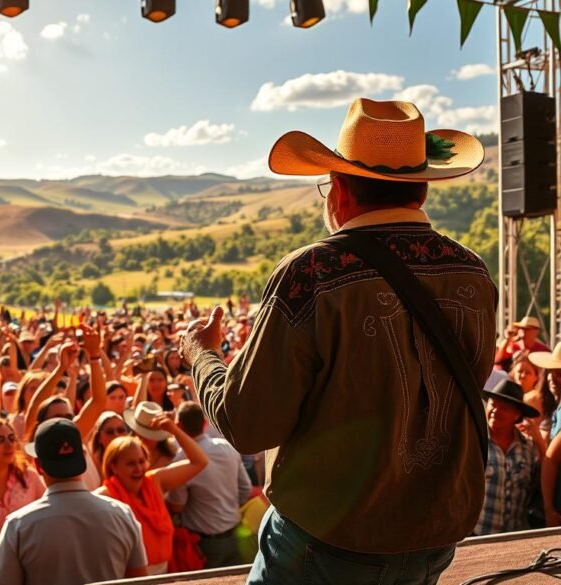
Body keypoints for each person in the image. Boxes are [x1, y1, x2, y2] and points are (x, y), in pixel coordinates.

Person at [182, 99, 495, 582]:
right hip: (434, 531)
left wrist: (200, 353)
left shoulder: (313, 272)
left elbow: (246, 423)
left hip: (327, 544)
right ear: (423, 189)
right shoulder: (473, 273)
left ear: (341, 190)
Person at [0, 419, 148, 584]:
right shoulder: (122, 515)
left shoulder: (18, 526)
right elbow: (140, 580)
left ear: (38, 466)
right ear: (83, 457)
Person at [97, 412, 208, 574]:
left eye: (142, 461)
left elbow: (200, 461)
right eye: (130, 464)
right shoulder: (105, 496)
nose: (138, 469)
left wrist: (173, 430)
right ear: (113, 466)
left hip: (166, 572)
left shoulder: (154, 481)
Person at [167, 402, 252, 568]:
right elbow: (245, 488)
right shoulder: (227, 446)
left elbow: (177, 506)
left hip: (204, 544)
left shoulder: (181, 459)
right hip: (235, 534)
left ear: (178, 426)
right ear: (205, 423)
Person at [473, 380, 541, 536]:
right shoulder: (475, 442)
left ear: (517, 415)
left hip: (517, 537)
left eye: (503, 407)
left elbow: (537, 484)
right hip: (480, 535)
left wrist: (539, 441)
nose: (495, 410)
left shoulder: (527, 448)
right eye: (493, 404)